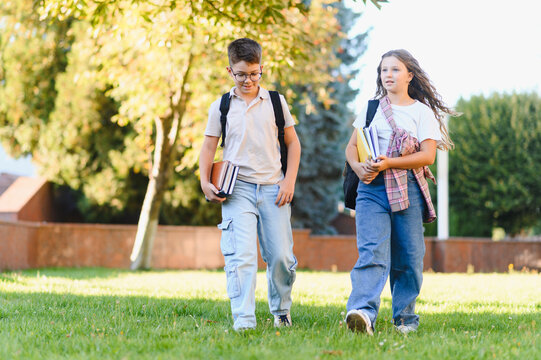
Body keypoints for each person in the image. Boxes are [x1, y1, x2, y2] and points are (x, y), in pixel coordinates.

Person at [344, 49, 455, 335]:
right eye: (383, 70)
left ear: (409, 75)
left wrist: (390, 162)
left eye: (394, 69)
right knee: (371, 251)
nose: (388, 75)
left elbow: (427, 155)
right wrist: (358, 168)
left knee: (409, 255)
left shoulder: (421, 111)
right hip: (371, 189)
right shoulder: (371, 108)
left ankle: (405, 318)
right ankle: (362, 313)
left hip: (408, 188)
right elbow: (351, 147)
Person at [199, 38, 301, 331]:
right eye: (241, 74)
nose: (248, 80)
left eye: (254, 73)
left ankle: (281, 311)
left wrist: (289, 181)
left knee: (281, 256)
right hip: (238, 190)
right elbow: (208, 147)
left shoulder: (276, 102)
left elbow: (293, 145)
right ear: (230, 71)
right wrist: (205, 181)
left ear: (261, 69)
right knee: (242, 256)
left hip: (273, 189)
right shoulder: (221, 106)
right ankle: (244, 319)